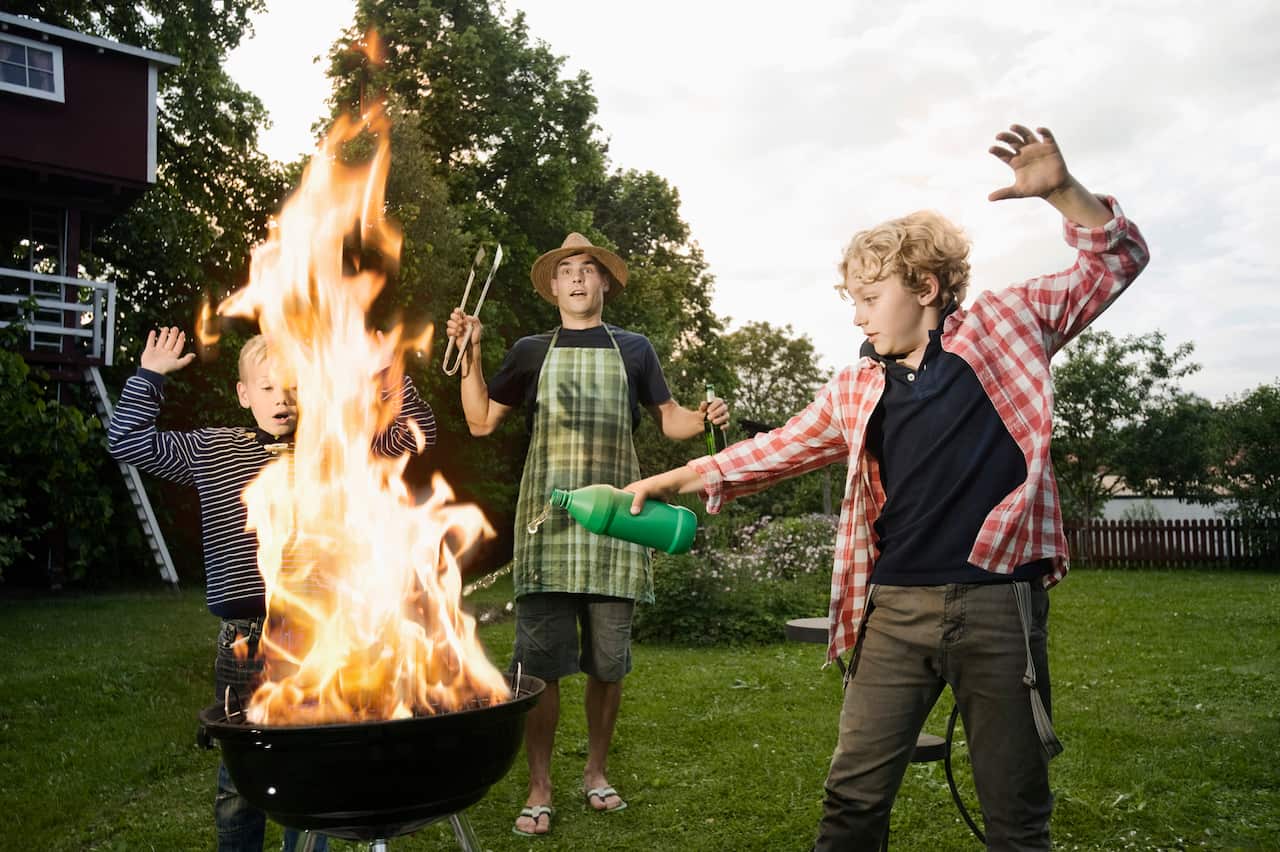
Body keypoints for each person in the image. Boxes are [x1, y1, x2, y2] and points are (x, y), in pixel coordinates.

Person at [624, 124, 1150, 850]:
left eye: (870, 296)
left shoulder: (1006, 326)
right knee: (851, 800)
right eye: (853, 299)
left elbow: (1115, 261)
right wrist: (677, 477)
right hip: (894, 611)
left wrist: (1062, 192)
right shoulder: (855, 386)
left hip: (999, 603)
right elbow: (776, 448)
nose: (858, 313)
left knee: (1017, 812)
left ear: (926, 288)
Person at [107, 329, 437, 852]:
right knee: (240, 778)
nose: (282, 399)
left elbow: (416, 432)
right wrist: (149, 376)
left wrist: (386, 374)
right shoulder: (214, 450)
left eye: (294, 387)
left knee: (312, 768)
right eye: (267, 388)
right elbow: (126, 441)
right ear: (243, 394)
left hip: (317, 637)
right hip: (245, 642)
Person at [445, 233, 730, 837]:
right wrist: (470, 355)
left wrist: (705, 417)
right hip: (547, 527)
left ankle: (596, 772)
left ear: (605, 284)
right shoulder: (528, 351)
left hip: (622, 523)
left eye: (588, 270)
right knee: (539, 665)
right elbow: (478, 421)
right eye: (566, 271)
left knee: (608, 663)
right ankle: (540, 785)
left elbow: (671, 419)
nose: (576, 279)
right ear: (553, 286)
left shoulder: (634, 349)